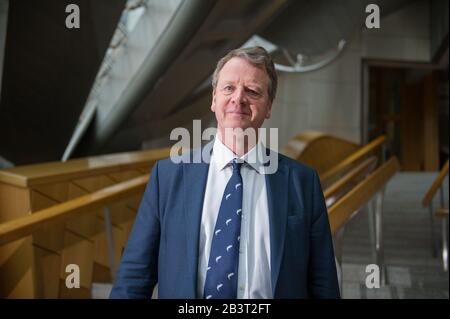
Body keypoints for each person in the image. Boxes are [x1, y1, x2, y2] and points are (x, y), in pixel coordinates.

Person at [110, 46, 340, 299]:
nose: (238, 99)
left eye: (252, 91)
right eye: (228, 88)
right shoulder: (168, 177)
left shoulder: (302, 182)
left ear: (269, 107)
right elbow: (135, 277)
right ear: (214, 99)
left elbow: (323, 284)